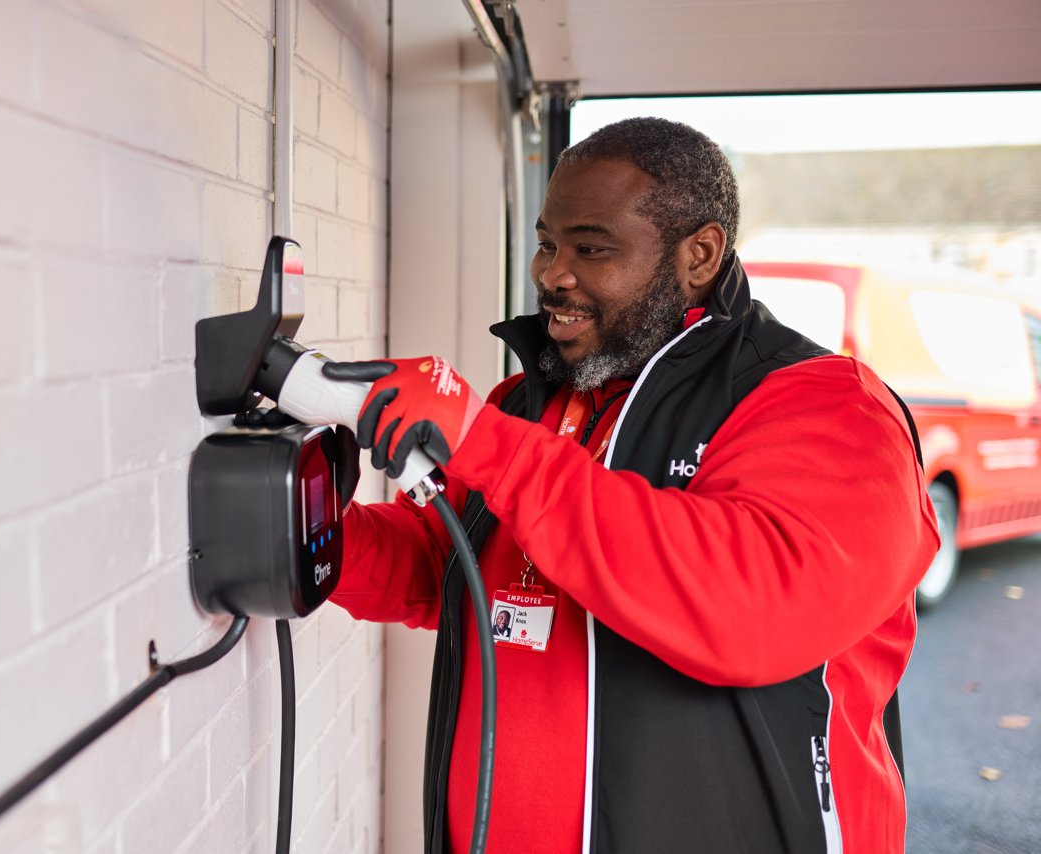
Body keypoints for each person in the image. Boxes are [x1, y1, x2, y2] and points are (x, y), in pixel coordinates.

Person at [323, 117, 938, 854]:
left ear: (699, 255)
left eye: (592, 248)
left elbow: (747, 607)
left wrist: (489, 447)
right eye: (547, 242)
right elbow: (448, 567)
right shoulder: (527, 406)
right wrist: (319, 534)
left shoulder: (830, 406)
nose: (553, 272)